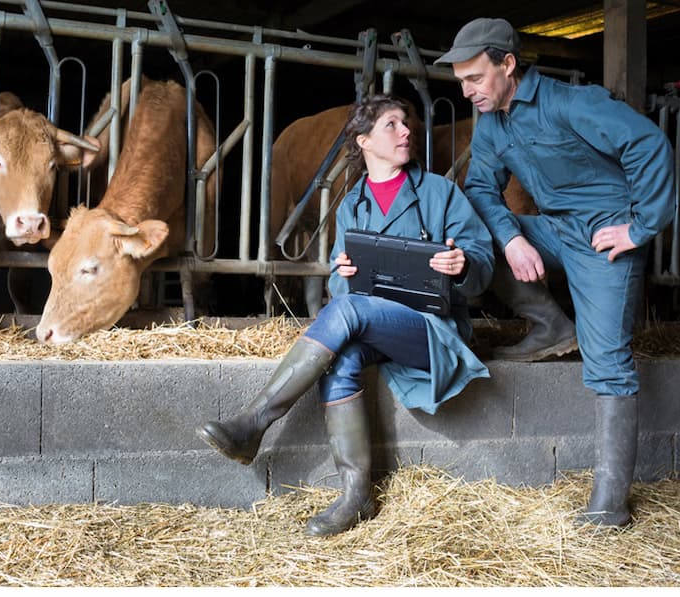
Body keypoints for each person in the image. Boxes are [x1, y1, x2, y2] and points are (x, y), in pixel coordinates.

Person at [196, 95, 495, 537]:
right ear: (364, 141)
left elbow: (484, 268)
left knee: (348, 312)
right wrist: (343, 275)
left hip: (432, 332)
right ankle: (356, 495)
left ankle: (256, 421)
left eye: (405, 123)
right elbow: (341, 286)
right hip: (373, 327)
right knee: (345, 353)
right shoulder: (353, 202)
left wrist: (463, 265)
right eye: (392, 125)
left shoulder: (440, 192)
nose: (406, 131)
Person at [434, 18, 676, 527]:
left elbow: (649, 144)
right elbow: (480, 188)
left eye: (475, 78)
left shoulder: (573, 103)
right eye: (461, 81)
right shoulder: (492, 126)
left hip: (604, 237)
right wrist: (514, 238)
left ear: (508, 65)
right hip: (554, 230)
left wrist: (640, 228)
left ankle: (610, 506)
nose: (467, 90)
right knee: (477, 233)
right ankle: (550, 325)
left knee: (607, 359)